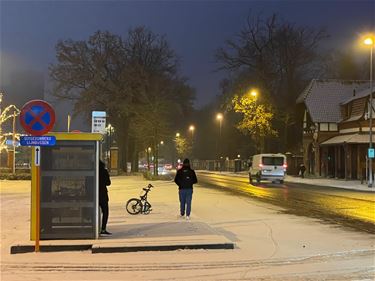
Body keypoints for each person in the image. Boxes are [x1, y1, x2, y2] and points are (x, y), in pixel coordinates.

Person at [99, 160, 111, 235]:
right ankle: (103, 228)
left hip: (94, 195)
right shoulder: (104, 171)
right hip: (103, 194)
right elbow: (108, 183)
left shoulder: (94, 171)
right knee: (105, 212)